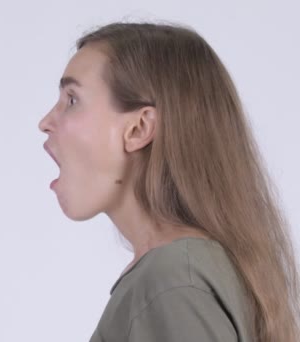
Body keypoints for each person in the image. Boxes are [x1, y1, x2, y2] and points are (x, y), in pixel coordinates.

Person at [38, 21, 300, 342]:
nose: (46, 122)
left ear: (139, 128)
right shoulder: (186, 275)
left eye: (72, 99)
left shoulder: (171, 282)